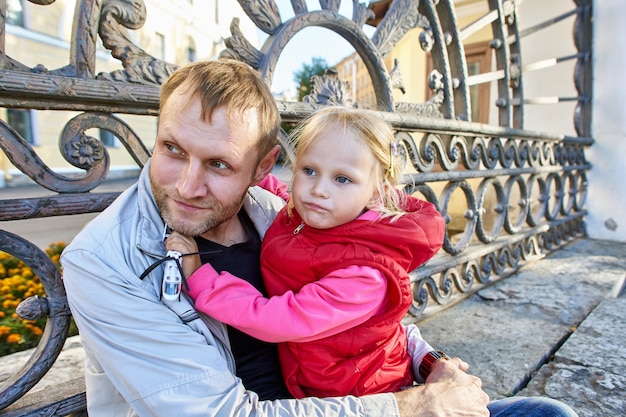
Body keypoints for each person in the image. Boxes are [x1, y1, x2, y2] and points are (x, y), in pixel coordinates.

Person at [61, 59, 577, 417]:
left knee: (549, 413)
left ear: (262, 168)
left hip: (343, 396)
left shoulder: (279, 212)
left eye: (219, 164)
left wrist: (429, 362)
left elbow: (364, 307)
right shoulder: (104, 260)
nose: (187, 185)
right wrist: (408, 407)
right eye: (172, 149)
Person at [164, 105, 446, 399]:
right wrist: (245, 172)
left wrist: (201, 278)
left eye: (342, 179)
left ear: (375, 194)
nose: (318, 190)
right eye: (309, 170)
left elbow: (280, 319)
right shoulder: (316, 215)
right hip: (319, 377)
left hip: (360, 395)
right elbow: (286, 195)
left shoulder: (365, 275)